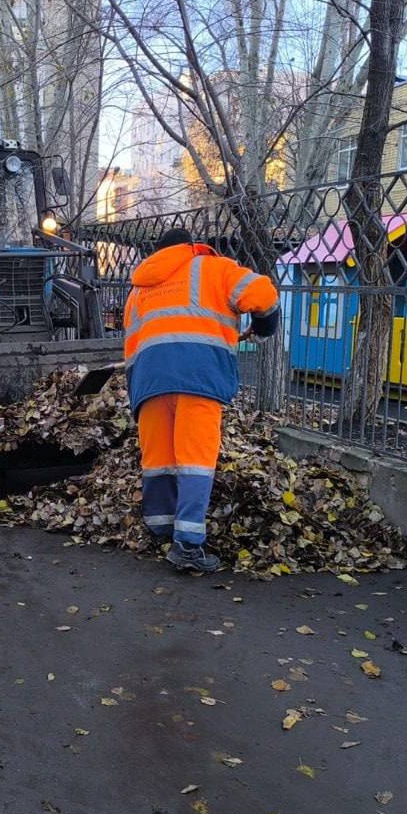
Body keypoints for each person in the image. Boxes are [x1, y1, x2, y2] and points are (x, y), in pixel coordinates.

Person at [124, 228, 280, 573]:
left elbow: (132, 345)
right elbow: (263, 294)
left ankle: (161, 530)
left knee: (158, 460)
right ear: (191, 247)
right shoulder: (214, 268)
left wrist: (137, 391)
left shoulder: (139, 289)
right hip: (197, 377)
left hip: (149, 381)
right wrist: (265, 326)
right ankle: (188, 546)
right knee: (195, 460)